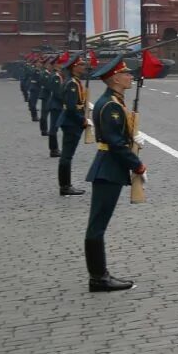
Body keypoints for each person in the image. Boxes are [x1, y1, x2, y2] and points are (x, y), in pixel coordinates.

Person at [83, 57, 143, 292]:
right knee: (97, 225)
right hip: (108, 169)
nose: (130, 77)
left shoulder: (114, 101)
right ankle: (98, 277)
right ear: (115, 78)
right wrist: (136, 164)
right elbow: (115, 143)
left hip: (108, 167)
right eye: (126, 74)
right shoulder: (111, 105)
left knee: (98, 223)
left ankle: (98, 275)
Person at [55, 52, 93, 196]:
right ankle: (65, 186)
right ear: (74, 67)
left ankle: (65, 185)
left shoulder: (74, 81)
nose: (84, 66)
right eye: (81, 64)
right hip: (71, 123)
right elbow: (71, 107)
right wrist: (82, 119)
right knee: (67, 156)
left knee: (67, 155)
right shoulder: (72, 83)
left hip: (70, 122)